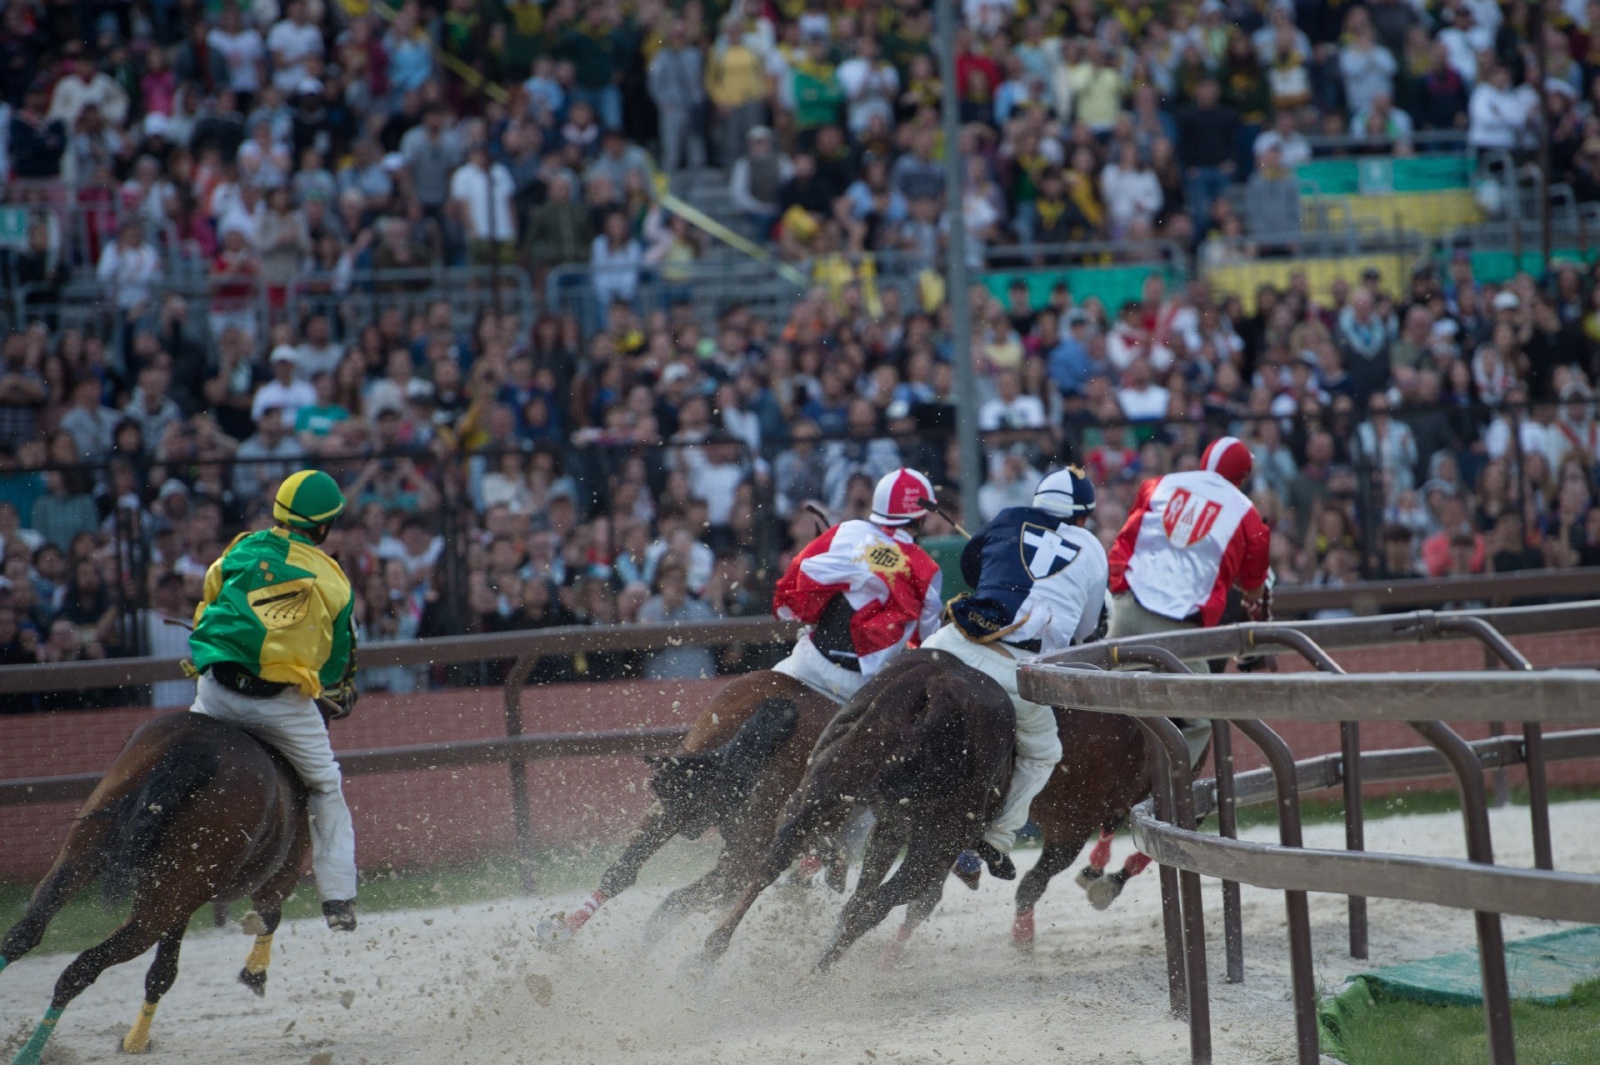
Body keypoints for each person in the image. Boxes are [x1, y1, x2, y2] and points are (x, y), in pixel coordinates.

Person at [187, 469, 359, 932]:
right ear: (323, 527)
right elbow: (333, 661)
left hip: (216, 693)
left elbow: (209, 598)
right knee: (326, 785)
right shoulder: (335, 581)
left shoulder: (241, 547)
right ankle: (338, 899)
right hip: (279, 707)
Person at [925, 466, 1108, 885]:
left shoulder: (1008, 516)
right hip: (1015, 671)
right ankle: (996, 837)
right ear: (1082, 517)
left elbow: (975, 572)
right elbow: (1085, 632)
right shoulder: (1093, 549)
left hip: (955, 642)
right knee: (1045, 753)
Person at [769, 468, 944, 704]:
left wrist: (787, 610)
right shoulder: (926, 569)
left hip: (809, 662)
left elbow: (799, 570)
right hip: (863, 685)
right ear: (922, 516)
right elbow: (927, 641)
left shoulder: (847, 531)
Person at [1108, 435, 1271, 655]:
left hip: (1129, 608)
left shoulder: (1160, 484)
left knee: (1102, 679)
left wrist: (1121, 589)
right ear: (1243, 474)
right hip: (1178, 626)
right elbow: (1254, 589)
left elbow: (1126, 540)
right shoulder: (1247, 514)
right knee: (1197, 689)